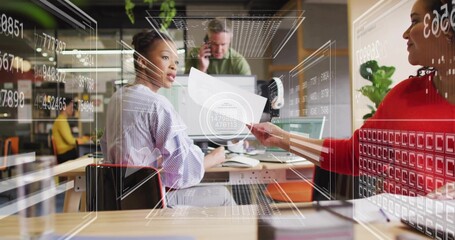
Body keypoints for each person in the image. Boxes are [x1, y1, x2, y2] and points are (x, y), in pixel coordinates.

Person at [248, 0, 455, 199]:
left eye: (415, 21)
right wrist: (281, 138)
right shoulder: (403, 96)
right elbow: (354, 156)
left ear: (444, 26)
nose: (405, 34)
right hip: (393, 224)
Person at [100, 29, 235, 207]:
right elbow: (181, 175)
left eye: (176, 61)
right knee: (222, 194)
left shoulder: (117, 98)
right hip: (149, 202)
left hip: (118, 199)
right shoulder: (157, 104)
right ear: (142, 61)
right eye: (165, 57)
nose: (173, 66)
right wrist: (213, 158)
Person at [184, 17, 251, 75]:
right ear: (207, 40)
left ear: (230, 40)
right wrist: (202, 69)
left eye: (223, 44)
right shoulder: (194, 55)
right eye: (214, 44)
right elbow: (186, 87)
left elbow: (248, 89)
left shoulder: (238, 62)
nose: (219, 50)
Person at [52, 98, 89, 164]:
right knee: (87, 155)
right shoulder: (61, 121)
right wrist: (85, 139)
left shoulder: (62, 119)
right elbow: (70, 141)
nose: (73, 110)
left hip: (66, 152)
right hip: (65, 154)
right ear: (64, 107)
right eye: (71, 107)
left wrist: (82, 139)